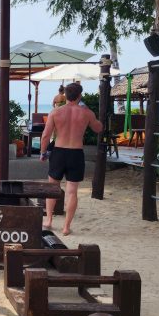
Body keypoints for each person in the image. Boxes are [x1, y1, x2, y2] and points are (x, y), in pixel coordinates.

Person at [39, 82, 102, 236]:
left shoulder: (55, 112)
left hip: (59, 152)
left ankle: (48, 221)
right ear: (80, 96)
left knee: (52, 187)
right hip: (76, 153)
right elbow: (98, 128)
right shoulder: (86, 112)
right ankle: (66, 227)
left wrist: (43, 152)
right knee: (72, 191)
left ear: (65, 95)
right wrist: (90, 112)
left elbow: (46, 135)